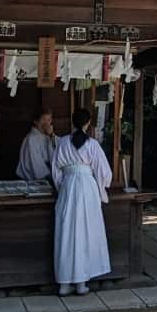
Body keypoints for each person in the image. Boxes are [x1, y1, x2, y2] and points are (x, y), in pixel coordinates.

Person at [51, 108, 112, 296]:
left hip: (68, 187)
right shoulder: (93, 145)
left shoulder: (62, 143)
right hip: (87, 189)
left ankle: (64, 284)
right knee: (85, 233)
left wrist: (63, 187)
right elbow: (104, 172)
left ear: (72, 122)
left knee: (66, 234)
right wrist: (102, 188)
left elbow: (55, 170)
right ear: (88, 123)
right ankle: (81, 283)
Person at [16, 108, 57, 188]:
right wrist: (51, 178)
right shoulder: (31, 139)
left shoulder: (48, 136)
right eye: (43, 120)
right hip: (33, 181)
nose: (46, 124)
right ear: (35, 121)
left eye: (49, 120)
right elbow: (36, 164)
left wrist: (52, 136)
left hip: (48, 177)